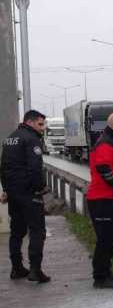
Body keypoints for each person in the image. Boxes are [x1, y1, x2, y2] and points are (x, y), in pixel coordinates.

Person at [0, 110, 50, 283]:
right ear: (30, 122)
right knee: (37, 231)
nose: (42, 128)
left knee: (17, 232)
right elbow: (35, 168)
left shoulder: (10, 138)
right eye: (40, 124)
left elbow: (3, 167)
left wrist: (6, 190)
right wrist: (40, 188)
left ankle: (16, 268)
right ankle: (35, 270)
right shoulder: (31, 139)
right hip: (30, 193)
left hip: (14, 194)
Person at [87, 112, 113, 289]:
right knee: (106, 238)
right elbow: (103, 165)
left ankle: (105, 271)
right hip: (103, 200)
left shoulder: (112, 142)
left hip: (110, 199)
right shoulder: (106, 143)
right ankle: (100, 277)